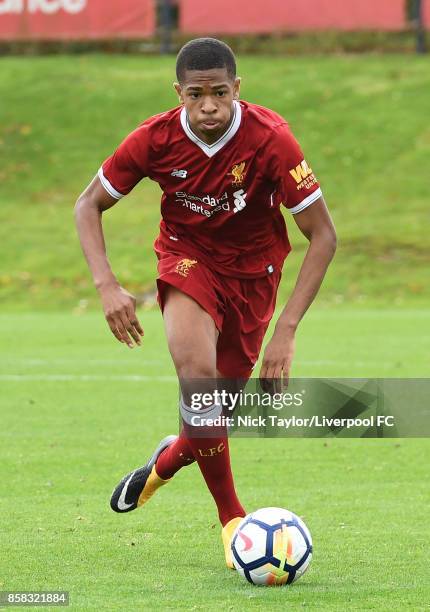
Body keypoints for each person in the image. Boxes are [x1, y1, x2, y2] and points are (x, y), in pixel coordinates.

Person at [74, 38, 336, 569]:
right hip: (186, 260)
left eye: (220, 92)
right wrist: (106, 285)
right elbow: (89, 204)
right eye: (197, 94)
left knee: (214, 413)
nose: (210, 105)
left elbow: (323, 236)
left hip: (255, 276)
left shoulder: (272, 140)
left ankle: (166, 462)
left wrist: (286, 330)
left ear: (238, 89)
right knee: (198, 378)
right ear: (179, 94)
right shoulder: (154, 139)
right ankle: (232, 520)